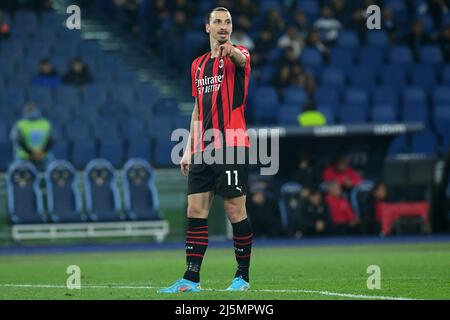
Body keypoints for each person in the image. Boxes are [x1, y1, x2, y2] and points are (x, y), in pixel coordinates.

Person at [160, 7, 253, 293]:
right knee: (195, 209)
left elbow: (239, 58)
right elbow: (198, 110)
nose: (223, 26)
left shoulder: (241, 55)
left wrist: (230, 51)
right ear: (207, 28)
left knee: (234, 209)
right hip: (203, 148)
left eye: (227, 22)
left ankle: (242, 277)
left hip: (233, 145)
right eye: (218, 22)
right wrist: (188, 148)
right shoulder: (198, 65)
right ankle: (191, 278)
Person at [10, 103, 54, 171]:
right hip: (24, 158)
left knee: (51, 167)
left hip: (43, 157)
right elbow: (19, 141)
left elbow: (51, 140)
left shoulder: (46, 124)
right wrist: (34, 153)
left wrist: (40, 153)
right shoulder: (20, 125)